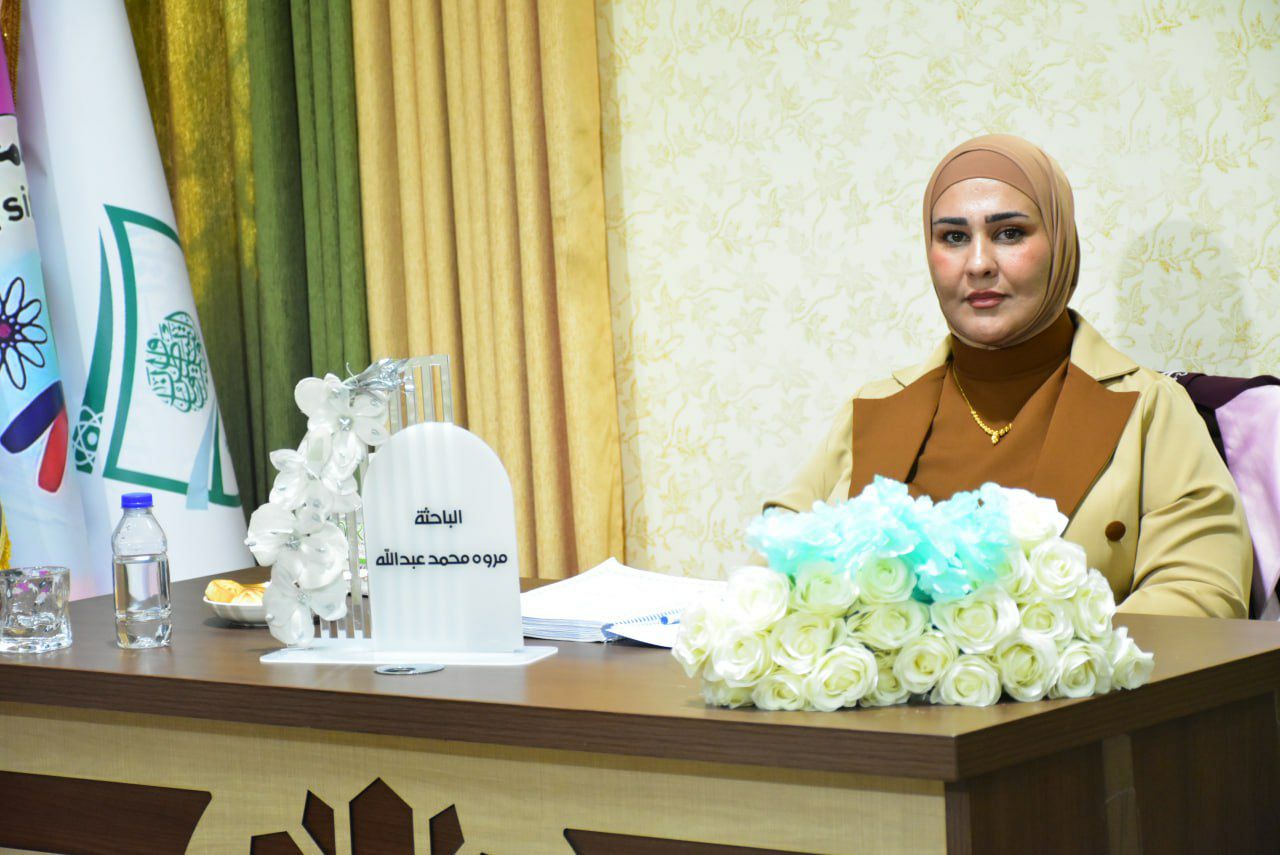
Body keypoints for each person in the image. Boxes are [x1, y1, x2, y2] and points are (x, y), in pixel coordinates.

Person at [765, 134, 1251, 618]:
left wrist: (1037, 651)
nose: (978, 264)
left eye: (1009, 233)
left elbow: (1200, 594)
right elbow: (772, 568)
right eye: (954, 237)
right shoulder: (873, 408)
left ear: (1060, 242)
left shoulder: (1150, 407)